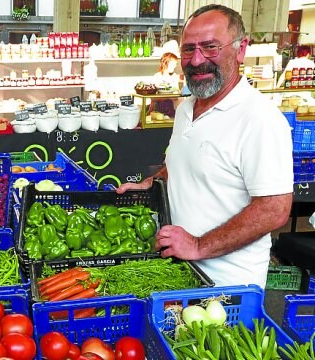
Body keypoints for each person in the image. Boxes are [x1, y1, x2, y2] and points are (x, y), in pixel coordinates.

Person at [116, 4, 293, 288]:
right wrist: (153, 183)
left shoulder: (260, 119)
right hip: (179, 272)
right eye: (188, 49)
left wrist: (198, 245)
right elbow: (184, 165)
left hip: (226, 287)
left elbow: (274, 208)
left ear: (240, 49)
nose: (197, 60)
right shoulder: (186, 109)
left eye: (210, 47)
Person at [150, 52, 181, 118]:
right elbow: (152, 97)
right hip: (157, 110)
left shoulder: (175, 77)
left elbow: (176, 95)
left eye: (175, 64)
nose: (175, 66)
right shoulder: (157, 77)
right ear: (166, 63)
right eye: (173, 64)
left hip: (172, 109)